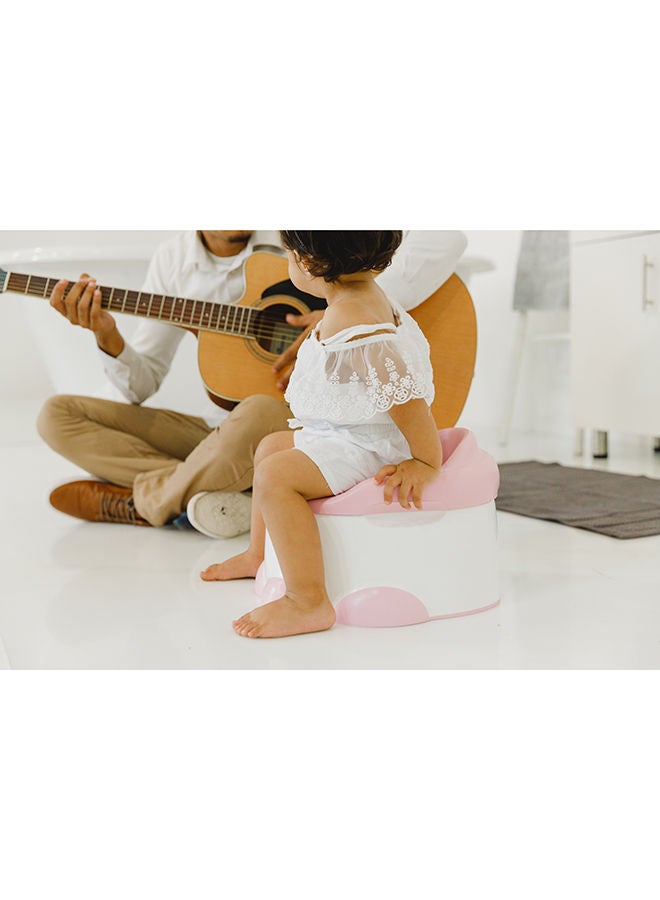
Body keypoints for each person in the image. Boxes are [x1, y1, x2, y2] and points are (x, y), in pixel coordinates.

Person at [37, 229, 466, 537]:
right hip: (217, 435)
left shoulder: (311, 236)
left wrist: (353, 297)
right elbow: (139, 385)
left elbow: (446, 237)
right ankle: (202, 495)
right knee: (58, 416)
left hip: (297, 426)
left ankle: (146, 503)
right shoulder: (173, 258)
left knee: (261, 409)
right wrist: (106, 334)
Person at [200, 231, 441, 639]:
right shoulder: (356, 299)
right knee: (270, 447)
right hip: (348, 431)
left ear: (308, 264)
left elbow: (405, 397)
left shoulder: (354, 317)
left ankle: (306, 599)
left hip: (369, 445)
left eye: (287, 255)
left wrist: (424, 460)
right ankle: (258, 554)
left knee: (277, 475)